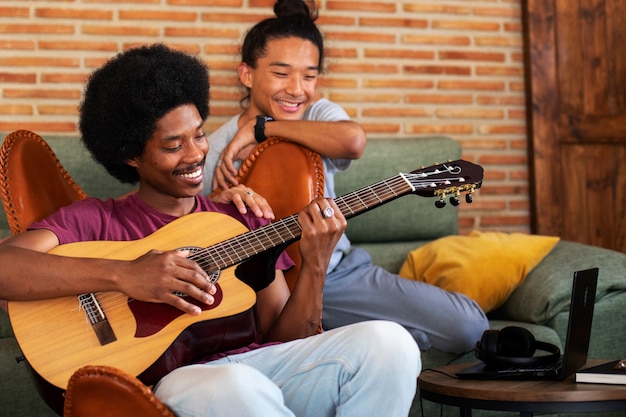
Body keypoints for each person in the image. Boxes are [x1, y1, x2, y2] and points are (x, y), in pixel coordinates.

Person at [0, 44, 420, 416]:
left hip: (261, 372)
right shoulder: (95, 220)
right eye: (172, 145)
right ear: (131, 155)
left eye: (199, 135)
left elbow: (287, 339)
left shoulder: (242, 216)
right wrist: (123, 274)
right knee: (234, 386)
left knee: (391, 343)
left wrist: (315, 263)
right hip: (177, 384)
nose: (195, 154)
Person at [205, 0, 489, 354]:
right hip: (252, 295)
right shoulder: (214, 149)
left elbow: (352, 141)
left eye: (309, 76)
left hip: (334, 276)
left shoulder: (318, 113)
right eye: (281, 74)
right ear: (246, 74)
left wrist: (263, 128)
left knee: (469, 327)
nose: (296, 89)